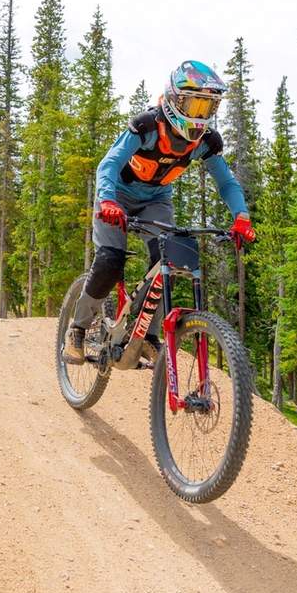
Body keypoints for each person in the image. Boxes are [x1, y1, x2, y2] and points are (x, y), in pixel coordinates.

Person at [63, 60, 256, 365]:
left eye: (207, 108)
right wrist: (107, 200)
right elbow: (109, 165)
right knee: (110, 261)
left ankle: (147, 336)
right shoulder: (147, 127)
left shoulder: (205, 142)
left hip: (155, 200)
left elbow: (226, 182)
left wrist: (241, 217)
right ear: (175, 100)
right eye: (194, 105)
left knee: (169, 263)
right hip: (117, 197)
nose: (199, 115)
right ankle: (77, 329)